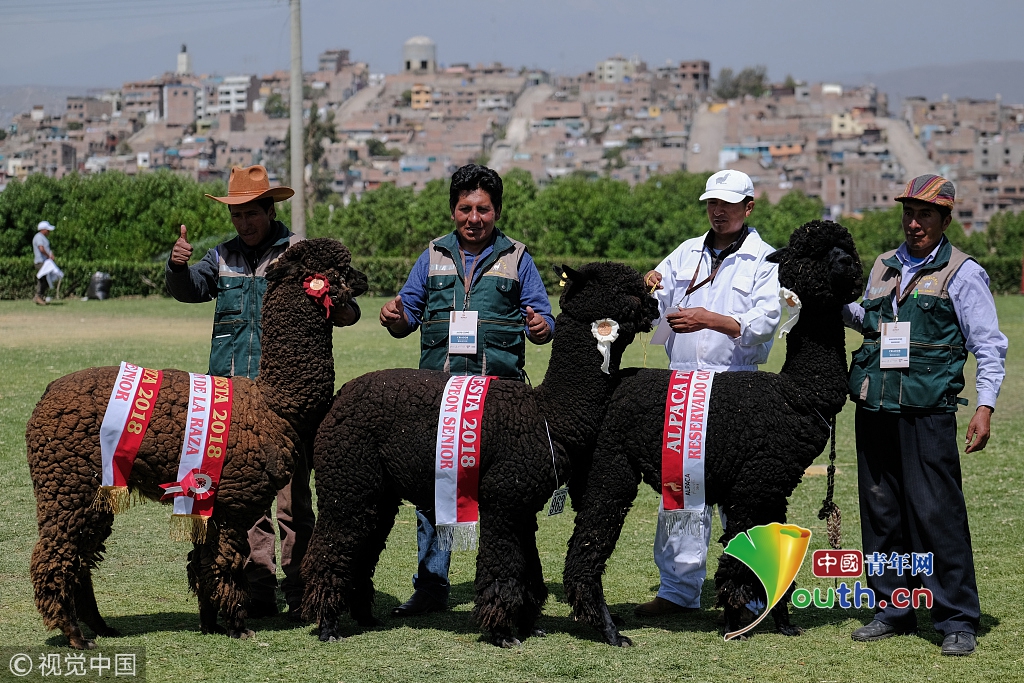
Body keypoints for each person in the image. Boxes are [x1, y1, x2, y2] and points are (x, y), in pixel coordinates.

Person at [165, 164, 359, 619]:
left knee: (293, 501)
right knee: (244, 501)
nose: (244, 222)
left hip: (290, 403)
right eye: (236, 214)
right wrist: (177, 266)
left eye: (251, 213)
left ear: (270, 211)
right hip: (232, 402)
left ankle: (303, 588)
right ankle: (257, 588)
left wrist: (336, 305)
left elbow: (348, 311)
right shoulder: (221, 257)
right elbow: (190, 290)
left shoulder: (301, 255)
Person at [379, 163, 554, 616]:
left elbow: (544, 322)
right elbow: (406, 317)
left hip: (499, 401)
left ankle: (505, 588)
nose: (473, 218)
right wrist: (394, 317)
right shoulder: (432, 255)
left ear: (497, 211)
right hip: (438, 397)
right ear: (453, 210)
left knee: (505, 498)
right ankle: (431, 588)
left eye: (483, 209)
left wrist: (540, 325)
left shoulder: (518, 258)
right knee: (432, 492)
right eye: (465, 209)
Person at [844, 174, 1007, 656]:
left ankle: (956, 618)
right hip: (875, 405)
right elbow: (870, 321)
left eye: (926, 215)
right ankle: (892, 608)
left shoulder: (963, 272)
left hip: (928, 409)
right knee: (881, 512)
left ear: (945, 219)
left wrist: (984, 406)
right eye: (909, 213)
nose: (914, 223)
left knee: (937, 512)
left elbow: (988, 346)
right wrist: (828, 300)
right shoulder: (883, 265)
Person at [636, 169, 781, 617]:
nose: (718, 212)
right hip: (682, 386)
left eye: (728, 204)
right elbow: (657, 299)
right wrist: (650, 284)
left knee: (741, 494)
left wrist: (709, 319)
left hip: (736, 385)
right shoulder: (685, 251)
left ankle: (750, 593)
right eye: (712, 203)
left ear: (748, 207)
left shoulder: (765, 259)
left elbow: (766, 322)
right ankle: (678, 591)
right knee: (681, 486)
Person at [32, 220, 56, 305]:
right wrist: (48, 256)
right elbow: (41, 249)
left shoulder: (43, 238)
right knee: (43, 279)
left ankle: (40, 296)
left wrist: (51, 254)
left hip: (45, 262)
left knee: (45, 279)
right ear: (43, 229)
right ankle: (38, 296)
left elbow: (46, 248)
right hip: (40, 262)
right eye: (47, 230)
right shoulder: (38, 237)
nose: (49, 232)